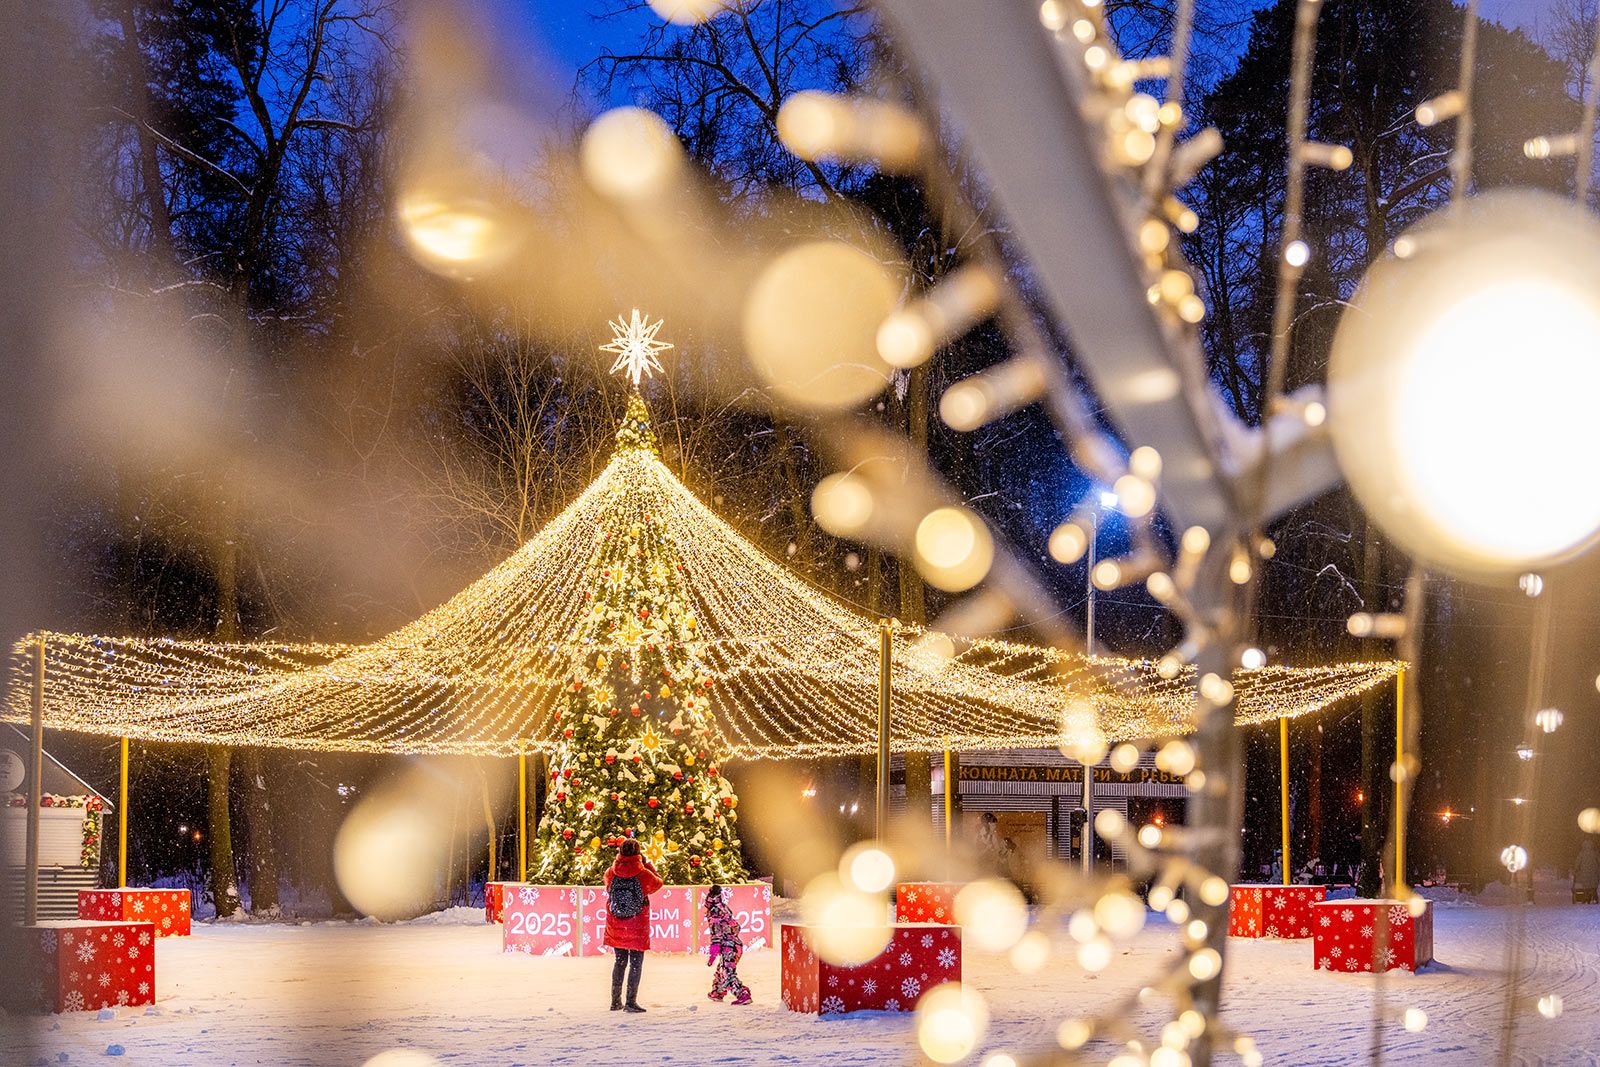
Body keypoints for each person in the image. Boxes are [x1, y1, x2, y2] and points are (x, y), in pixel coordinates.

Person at [604, 838, 663, 1013]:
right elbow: (658, 883)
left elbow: (607, 887)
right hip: (637, 924)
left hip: (616, 924)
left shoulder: (611, 873)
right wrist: (648, 866)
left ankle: (615, 1001)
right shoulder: (643, 874)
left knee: (619, 962)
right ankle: (630, 1002)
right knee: (635, 964)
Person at [703, 885, 752, 1005]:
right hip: (735, 945)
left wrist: (713, 956)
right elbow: (735, 927)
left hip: (728, 947)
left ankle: (742, 994)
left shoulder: (714, 914)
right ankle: (717, 992)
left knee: (727, 972)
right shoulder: (724, 909)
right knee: (722, 969)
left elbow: (716, 936)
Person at [1574, 838, 1599, 905]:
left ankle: (1586, 898)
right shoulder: (1595, 853)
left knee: (1586, 886)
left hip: (1585, 872)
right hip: (1594, 872)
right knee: (1593, 886)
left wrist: (1576, 868)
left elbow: (1577, 862)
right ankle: (1595, 897)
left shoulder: (1582, 853)